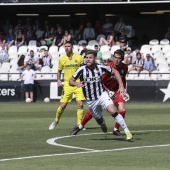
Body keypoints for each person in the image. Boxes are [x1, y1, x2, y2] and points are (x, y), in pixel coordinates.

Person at [69, 50, 132, 141]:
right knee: (98, 119)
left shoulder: (100, 67)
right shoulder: (81, 69)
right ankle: (102, 123)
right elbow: (71, 80)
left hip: (102, 94)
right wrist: (76, 84)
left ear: (95, 59)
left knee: (112, 110)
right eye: (86, 58)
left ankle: (127, 132)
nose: (88, 59)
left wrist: (122, 87)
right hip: (91, 100)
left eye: (90, 58)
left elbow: (115, 72)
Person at [49, 41, 85, 130]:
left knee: (80, 105)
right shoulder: (62, 59)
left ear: (72, 47)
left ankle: (79, 124)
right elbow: (59, 71)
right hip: (67, 85)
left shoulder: (79, 57)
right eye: (65, 46)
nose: (67, 48)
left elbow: (84, 70)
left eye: (68, 46)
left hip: (78, 84)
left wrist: (84, 81)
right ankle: (56, 121)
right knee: (63, 105)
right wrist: (58, 80)